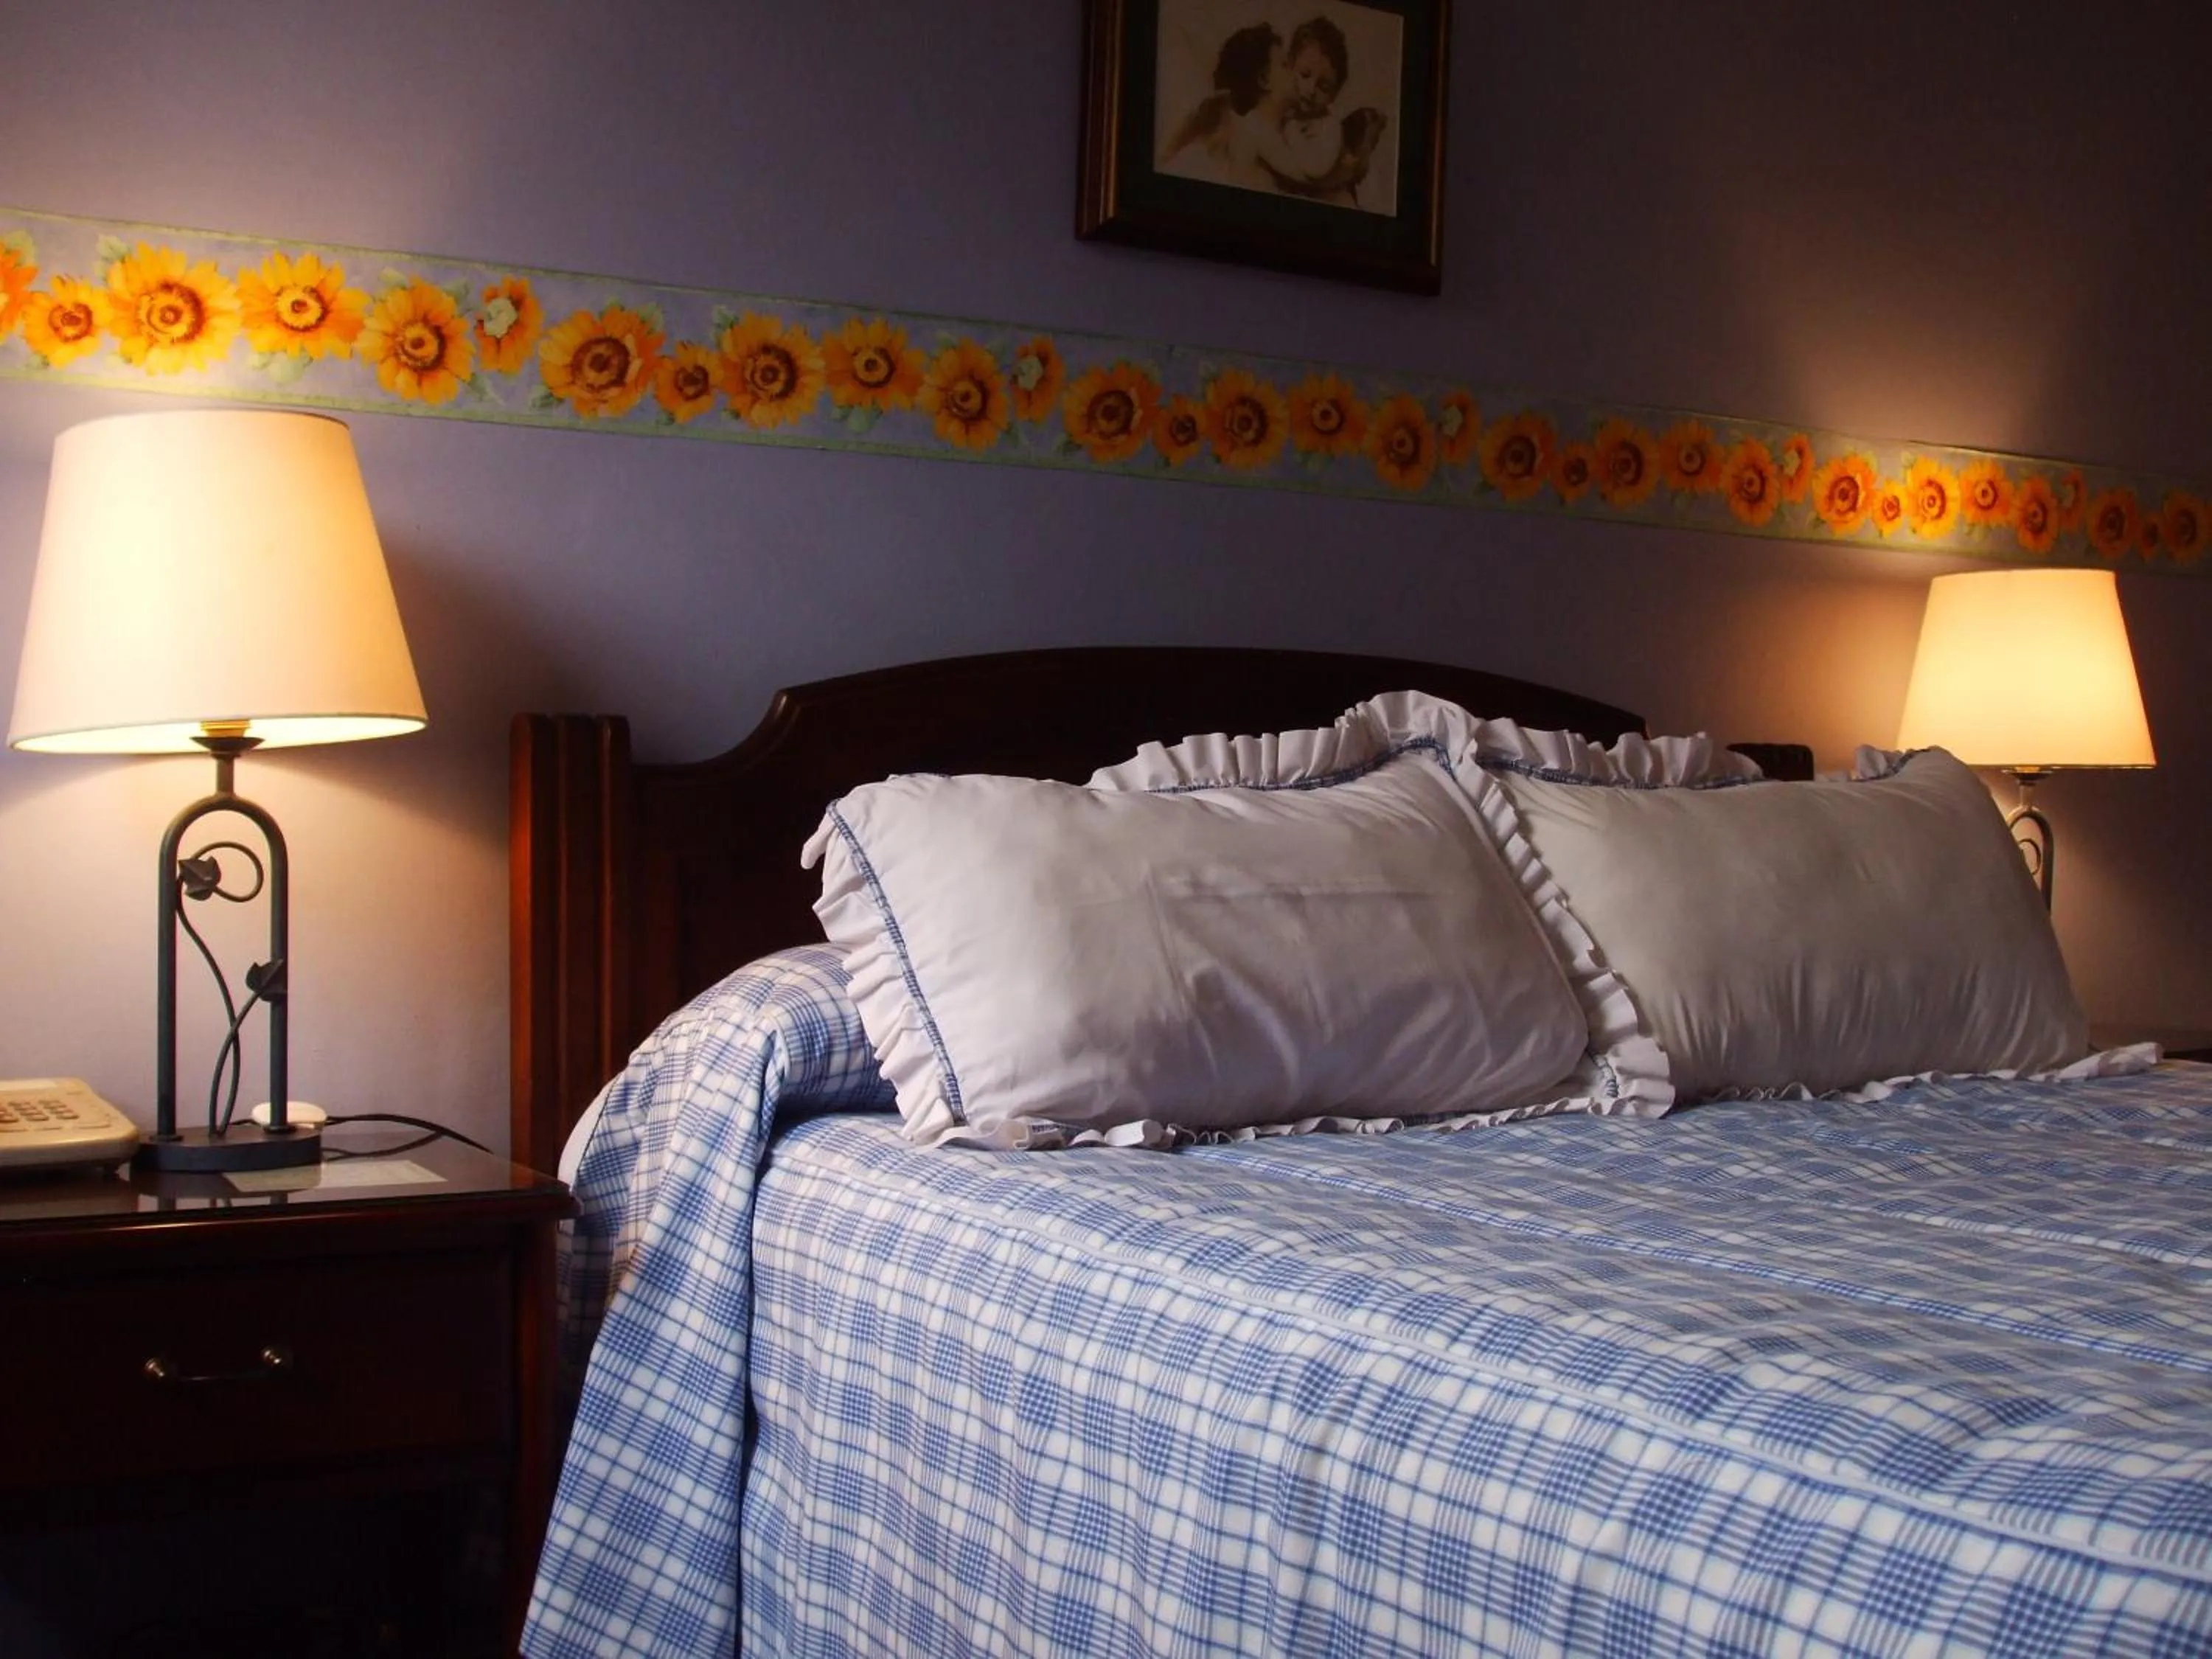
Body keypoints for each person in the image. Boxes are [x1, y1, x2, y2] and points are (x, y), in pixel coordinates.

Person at [1157, 15, 1387, 209]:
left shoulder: (1286, 127)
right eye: (1286, 65)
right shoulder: (1254, 125)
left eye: (1324, 86)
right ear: (1265, 79)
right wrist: (1339, 176)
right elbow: (1302, 175)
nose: (1303, 84)